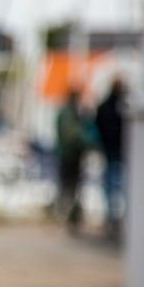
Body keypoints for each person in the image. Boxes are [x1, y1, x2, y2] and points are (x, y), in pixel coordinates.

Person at [95, 78, 126, 237]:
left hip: (109, 148)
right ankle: (119, 215)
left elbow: (97, 123)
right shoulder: (123, 108)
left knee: (110, 184)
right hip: (120, 150)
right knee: (121, 184)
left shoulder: (104, 107)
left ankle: (111, 216)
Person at [54, 88, 87, 232]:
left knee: (68, 185)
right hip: (70, 154)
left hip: (66, 154)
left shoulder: (67, 112)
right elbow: (72, 135)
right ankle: (68, 213)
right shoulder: (70, 114)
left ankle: (68, 213)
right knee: (70, 186)